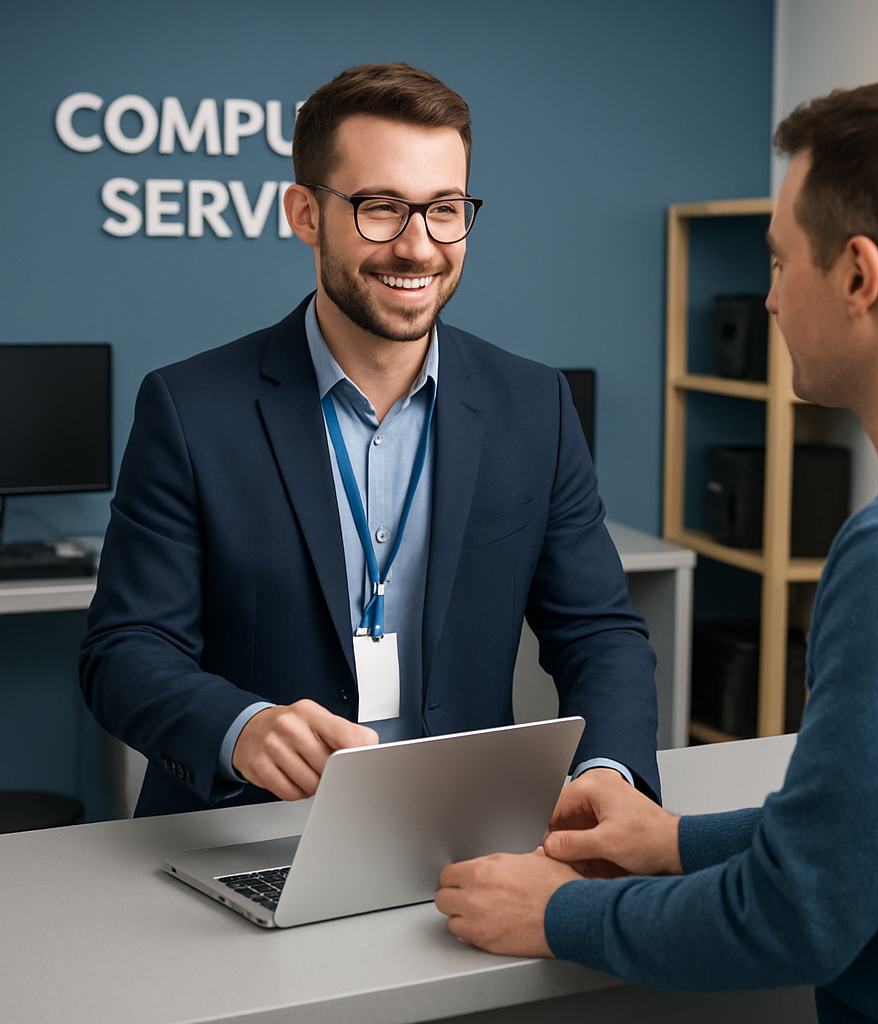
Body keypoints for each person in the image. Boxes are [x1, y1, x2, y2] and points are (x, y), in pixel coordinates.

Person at [435, 78, 878, 1024]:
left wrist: (562, 913)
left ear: (860, 275)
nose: (772, 299)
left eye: (782, 262)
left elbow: (797, 915)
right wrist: (675, 841)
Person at [79, 62, 660, 817]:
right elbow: (122, 653)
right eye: (380, 208)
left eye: (444, 209)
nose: (418, 247)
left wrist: (608, 770)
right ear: (305, 214)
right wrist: (241, 728)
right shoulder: (190, 409)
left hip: (463, 830)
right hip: (249, 832)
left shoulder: (535, 406)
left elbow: (600, 633)